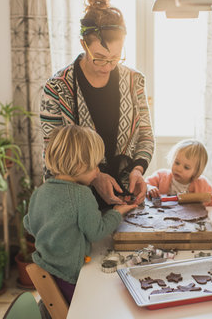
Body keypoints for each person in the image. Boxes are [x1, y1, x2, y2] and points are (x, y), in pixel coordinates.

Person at [40, 0, 154, 209]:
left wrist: (138, 170)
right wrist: (95, 177)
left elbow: (145, 136)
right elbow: (53, 154)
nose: (108, 66)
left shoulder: (134, 81)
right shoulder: (56, 88)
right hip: (74, 202)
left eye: (115, 57)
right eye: (100, 57)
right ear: (84, 44)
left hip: (125, 198)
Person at [23, 125, 137, 304]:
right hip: (70, 275)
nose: (99, 171)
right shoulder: (82, 194)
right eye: (96, 166)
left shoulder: (40, 191)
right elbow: (96, 232)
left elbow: (29, 223)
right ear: (79, 165)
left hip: (47, 267)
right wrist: (117, 213)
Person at [145, 139, 212, 210]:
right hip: (163, 217)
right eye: (177, 162)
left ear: (196, 172)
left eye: (186, 167)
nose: (179, 168)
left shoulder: (202, 184)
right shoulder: (161, 176)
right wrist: (149, 188)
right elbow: (143, 185)